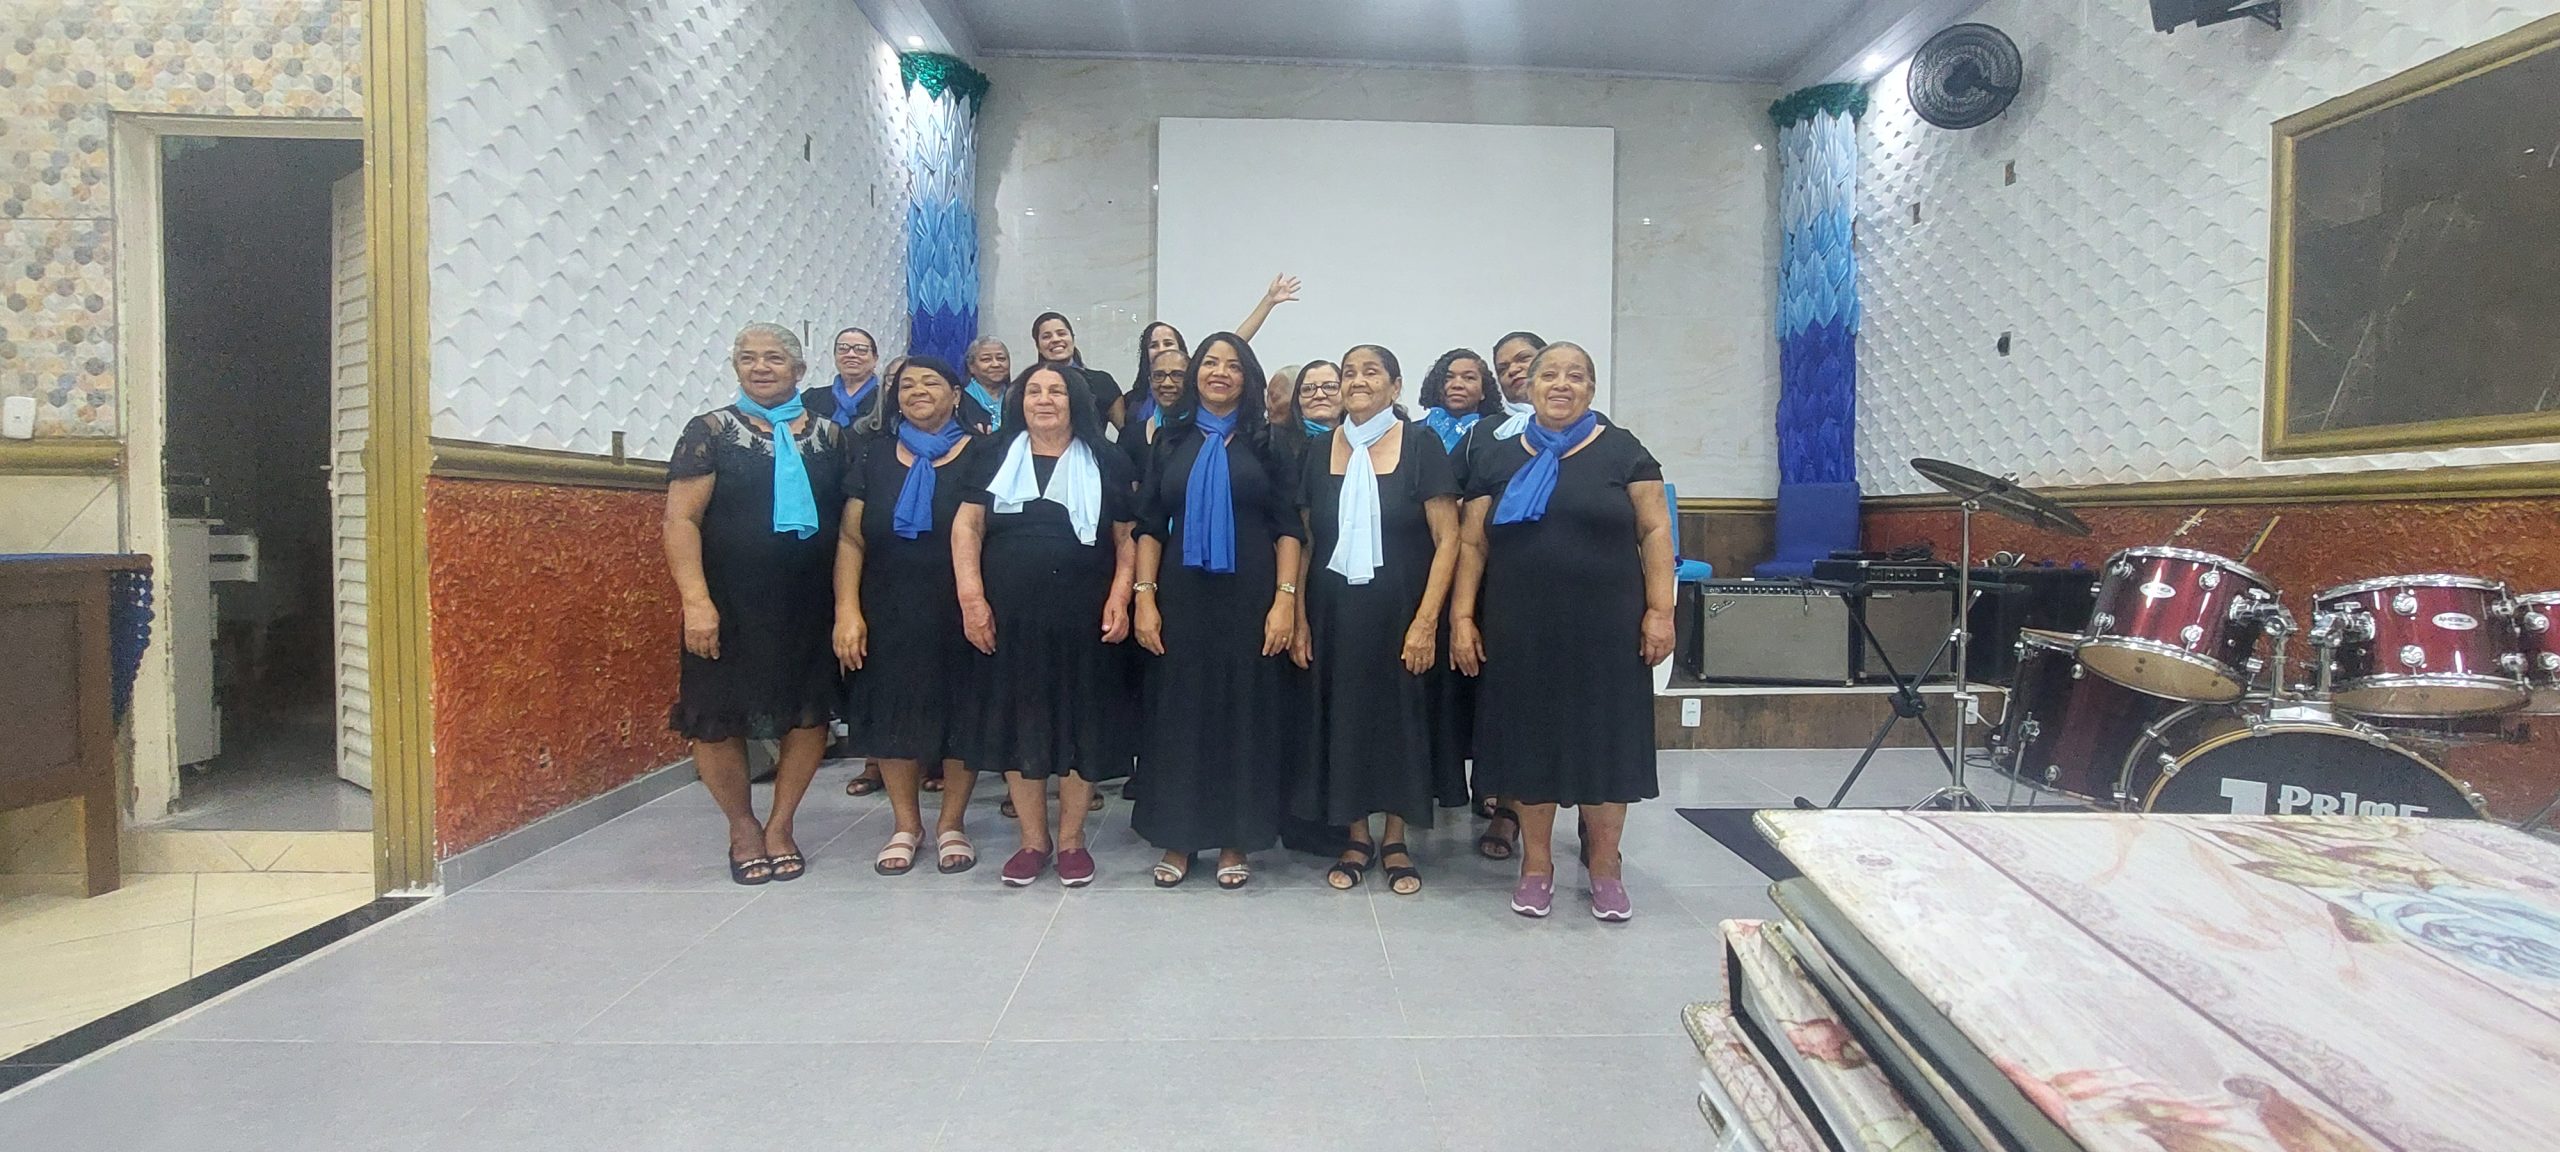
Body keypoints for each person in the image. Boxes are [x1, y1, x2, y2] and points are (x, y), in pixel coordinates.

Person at [1451, 342, 1674, 922]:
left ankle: (1605, 868)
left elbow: (1655, 531)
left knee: (1607, 745)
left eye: (1575, 376)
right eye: (1549, 374)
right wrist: (1462, 617)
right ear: (1528, 387)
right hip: (1519, 628)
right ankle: (1536, 866)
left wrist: (1661, 610)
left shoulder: (1622, 450)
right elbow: (1472, 543)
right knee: (1530, 744)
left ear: (1591, 390)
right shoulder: (1499, 456)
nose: (1561, 384)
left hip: (1609, 630)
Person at [663, 322, 847, 885]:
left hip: (808, 602)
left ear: (799, 371)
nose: (760, 367)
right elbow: (681, 520)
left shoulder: (832, 437)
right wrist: (696, 601)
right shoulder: (710, 431)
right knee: (716, 717)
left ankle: (781, 824)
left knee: (807, 714)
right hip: (729, 603)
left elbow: (849, 527)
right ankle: (742, 826)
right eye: (748, 358)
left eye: (773, 358)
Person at [954, 363, 1140, 887]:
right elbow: (967, 526)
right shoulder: (993, 454)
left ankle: (1073, 841)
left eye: (1056, 391)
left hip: (1086, 615)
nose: (1044, 399)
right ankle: (1033, 841)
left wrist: (1120, 596)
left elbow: (1127, 536)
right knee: (1021, 722)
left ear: (1075, 401)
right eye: (1033, 390)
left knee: (1082, 722)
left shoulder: (1107, 459)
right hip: (1008, 614)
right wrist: (971, 598)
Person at [1130, 334, 1302, 889]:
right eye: (1210, 363)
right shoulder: (1169, 439)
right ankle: (1179, 837)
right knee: (1179, 715)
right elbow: (1149, 526)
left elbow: (1289, 528)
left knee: (1244, 715)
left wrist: (1285, 601)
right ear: (1195, 374)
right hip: (1181, 597)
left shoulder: (1268, 443)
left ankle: (1235, 838)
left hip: (1252, 597)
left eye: (1233, 365)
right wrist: (1144, 597)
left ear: (1248, 378)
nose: (1220, 372)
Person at [1294, 345, 1458, 897]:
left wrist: (1426, 622)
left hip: (1402, 612)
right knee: (1343, 718)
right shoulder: (1320, 450)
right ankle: (1357, 835)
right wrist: (1298, 616)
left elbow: (1448, 539)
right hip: (1333, 612)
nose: (1357, 381)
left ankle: (1395, 838)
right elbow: (1307, 539)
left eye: (1371, 372)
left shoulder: (1420, 445)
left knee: (1400, 721)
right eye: (1349, 372)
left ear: (1395, 385)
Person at [835, 356, 983, 875]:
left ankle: (951, 824)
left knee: (962, 713)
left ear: (956, 394)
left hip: (961, 606)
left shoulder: (983, 453)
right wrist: (847, 610)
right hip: (887, 605)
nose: (917, 391)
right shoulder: (875, 455)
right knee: (892, 712)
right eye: (906, 385)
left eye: (930, 382)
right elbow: (851, 538)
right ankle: (906, 824)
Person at [1414, 349, 1501, 817]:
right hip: (1423, 569)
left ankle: (1488, 783)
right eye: (1450, 376)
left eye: (1470, 377)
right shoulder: (1415, 432)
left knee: (1478, 680)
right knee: (1434, 684)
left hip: (1477, 572)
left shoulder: (1497, 434)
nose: (1458, 384)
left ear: (1485, 388)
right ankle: (1433, 778)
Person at [1030, 312, 1121, 431]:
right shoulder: (1028, 387)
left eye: (1061, 333)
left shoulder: (1102, 382)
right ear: (1038, 346)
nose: (1055, 339)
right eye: (1046, 336)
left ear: (1072, 338)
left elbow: (1127, 433)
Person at [804, 327, 882, 427]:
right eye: (843, 349)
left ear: (875, 359)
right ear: (835, 356)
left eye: (861, 349)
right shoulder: (812, 399)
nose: (851, 354)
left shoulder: (886, 400)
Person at [961, 336, 1011, 434]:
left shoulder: (1018, 395)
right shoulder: (959, 400)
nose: (996, 364)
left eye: (1001, 358)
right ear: (971, 366)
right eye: (986, 359)